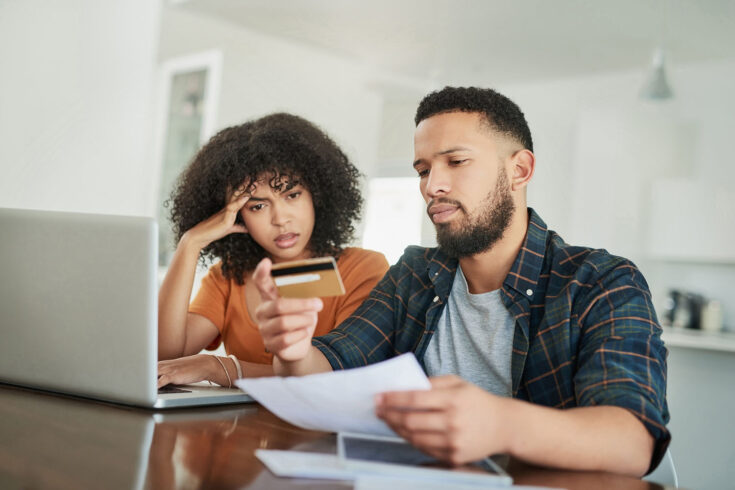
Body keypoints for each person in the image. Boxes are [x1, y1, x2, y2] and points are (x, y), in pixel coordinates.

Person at [253, 87, 670, 477]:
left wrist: (500, 424)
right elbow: (329, 365)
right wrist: (293, 351)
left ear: (519, 170)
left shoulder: (601, 282)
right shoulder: (414, 273)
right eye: (423, 170)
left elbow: (632, 441)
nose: (432, 186)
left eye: (455, 161)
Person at [156, 113, 389, 388]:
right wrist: (190, 244)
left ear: (318, 193)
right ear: (236, 215)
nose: (280, 219)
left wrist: (222, 368)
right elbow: (165, 356)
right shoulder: (228, 277)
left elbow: (344, 376)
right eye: (258, 206)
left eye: (292, 195)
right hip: (239, 429)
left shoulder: (363, 269)